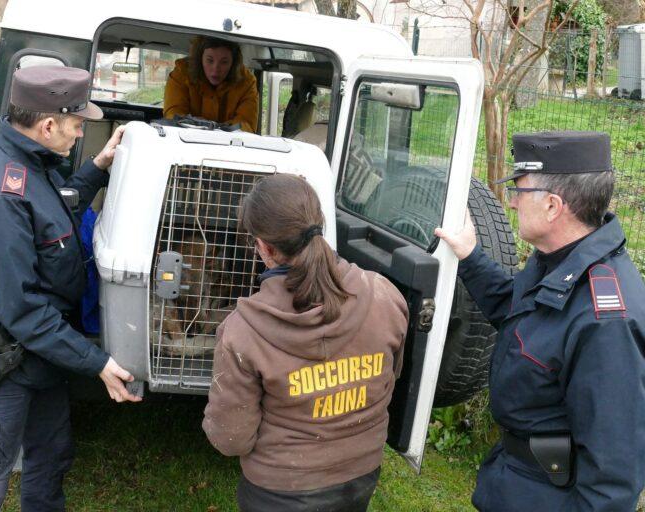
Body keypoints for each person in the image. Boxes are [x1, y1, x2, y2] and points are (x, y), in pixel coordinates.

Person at [0, 65, 141, 512]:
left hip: (40, 357)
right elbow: (22, 311)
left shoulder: (28, 159)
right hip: (3, 361)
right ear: (48, 125)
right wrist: (98, 363)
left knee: (50, 458)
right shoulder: (1, 196)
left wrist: (99, 166)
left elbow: (56, 209)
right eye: (76, 124)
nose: (79, 132)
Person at [435, 131, 645, 511]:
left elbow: (612, 479)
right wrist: (470, 255)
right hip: (520, 480)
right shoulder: (559, 259)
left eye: (520, 191)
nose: (512, 204)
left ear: (552, 206)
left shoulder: (606, 321)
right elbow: (522, 319)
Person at [202, 174, 409, 512]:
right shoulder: (383, 294)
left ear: (265, 248)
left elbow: (230, 438)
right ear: (321, 224)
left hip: (280, 491)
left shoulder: (241, 332)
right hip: (360, 473)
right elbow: (392, 376)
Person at [163, 36, 259, 133]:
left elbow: (246, 125)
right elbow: (173, 115)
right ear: (200, 58)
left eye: (224, 62)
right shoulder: (181, 73)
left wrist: (216, 130)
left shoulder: (247, 82)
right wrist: (202, 127)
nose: (216, 69)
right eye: (210, 60)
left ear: (233, 63)